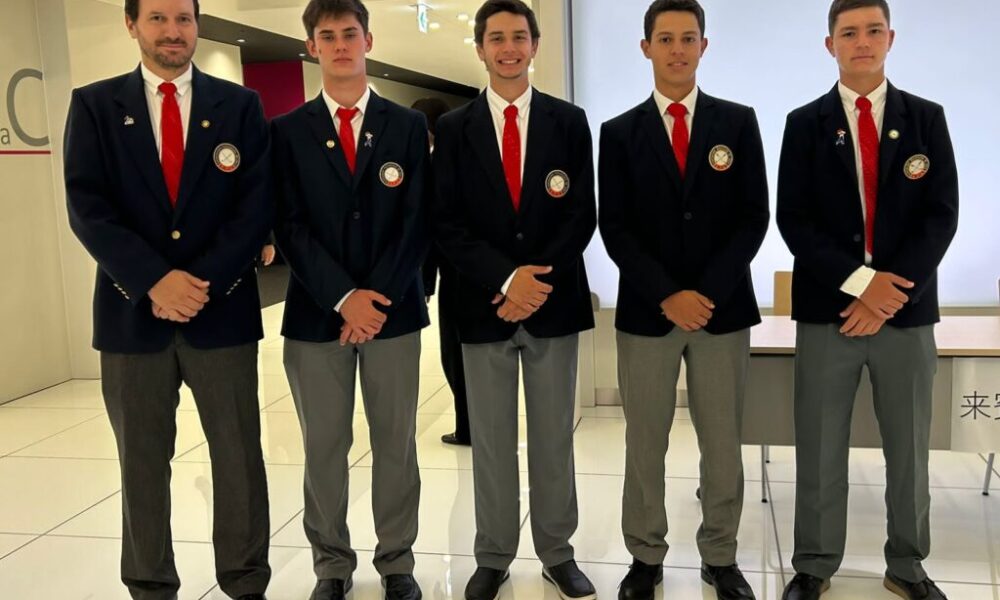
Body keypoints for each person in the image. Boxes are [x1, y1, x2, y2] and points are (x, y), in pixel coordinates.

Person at [63, 0, 272, 598]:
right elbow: (88, 208)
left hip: (221, 311)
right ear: (131, 25)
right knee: (141, 462)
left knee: (238, 456)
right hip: (132, 316)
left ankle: (244, 580)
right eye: (157, 18)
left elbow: (255, 206)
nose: (172, 31)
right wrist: (155, 280)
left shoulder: (239, 106)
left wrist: (197, 284)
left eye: (183, 18)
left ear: (197, 25)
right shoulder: (96, 105)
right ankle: (150, 585)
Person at [776, 1, 959, 599]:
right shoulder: (804, 123)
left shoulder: (926, 118)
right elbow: (794, 220)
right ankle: (814, 563)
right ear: (830, 44)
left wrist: (887, 293)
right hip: (829, 311)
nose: (862, 42)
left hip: (906, 313)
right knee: (819, 444)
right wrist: (860, 284)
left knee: (909, 449)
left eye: (873, 30)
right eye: (849, 32)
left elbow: (940, 216)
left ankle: (907, 564)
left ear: (890, 38)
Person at [598, 1, 768, 599]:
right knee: (645, 442)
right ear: (646, 47)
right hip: (649, 312)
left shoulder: (737, 123)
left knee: (722, 443)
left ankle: (720, 555)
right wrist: (669, 293)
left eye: (688, 38)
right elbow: (615, 226)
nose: (677, 49)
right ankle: (645, 556)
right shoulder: (619, 132)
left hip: (722, 312)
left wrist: (706, 292)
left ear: (703, 45)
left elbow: (753, 217)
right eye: (665, 38)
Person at [431, 1, 597, 598]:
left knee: (553, 438)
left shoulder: (568, 121)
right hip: (482, 308)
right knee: (491, 442)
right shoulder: (455, 128)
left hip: (552, 304)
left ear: (535, 45)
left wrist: (532, 285)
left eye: (519, 37)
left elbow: (580, 213)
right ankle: (494, 555)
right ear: (480, 48)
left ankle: (557, 551)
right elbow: (445, 222)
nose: (508, 48)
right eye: (496, 38)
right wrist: (506, 281)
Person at [271, 0, 430, 598]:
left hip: (393, 314)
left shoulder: (406, 126)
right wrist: (343, 297)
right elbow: (288, 225)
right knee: (324, 447)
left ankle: (397, 562)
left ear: (369, 41)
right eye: (328, 36)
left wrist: (373, 299)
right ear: (312, 46)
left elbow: (418, 220)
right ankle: (332, 566)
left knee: (396, 444)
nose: (340, 45)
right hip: (317, 315)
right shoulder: (287, 131)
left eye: (350, 34)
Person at [413, 96, 472, 447]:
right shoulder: (465, 157)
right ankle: (473, 424)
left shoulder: (435, 164)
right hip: (471, 273)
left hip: (454, 275)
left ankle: (467, 427)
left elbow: (434, 231)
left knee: (455, 354)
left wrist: (425, 283)